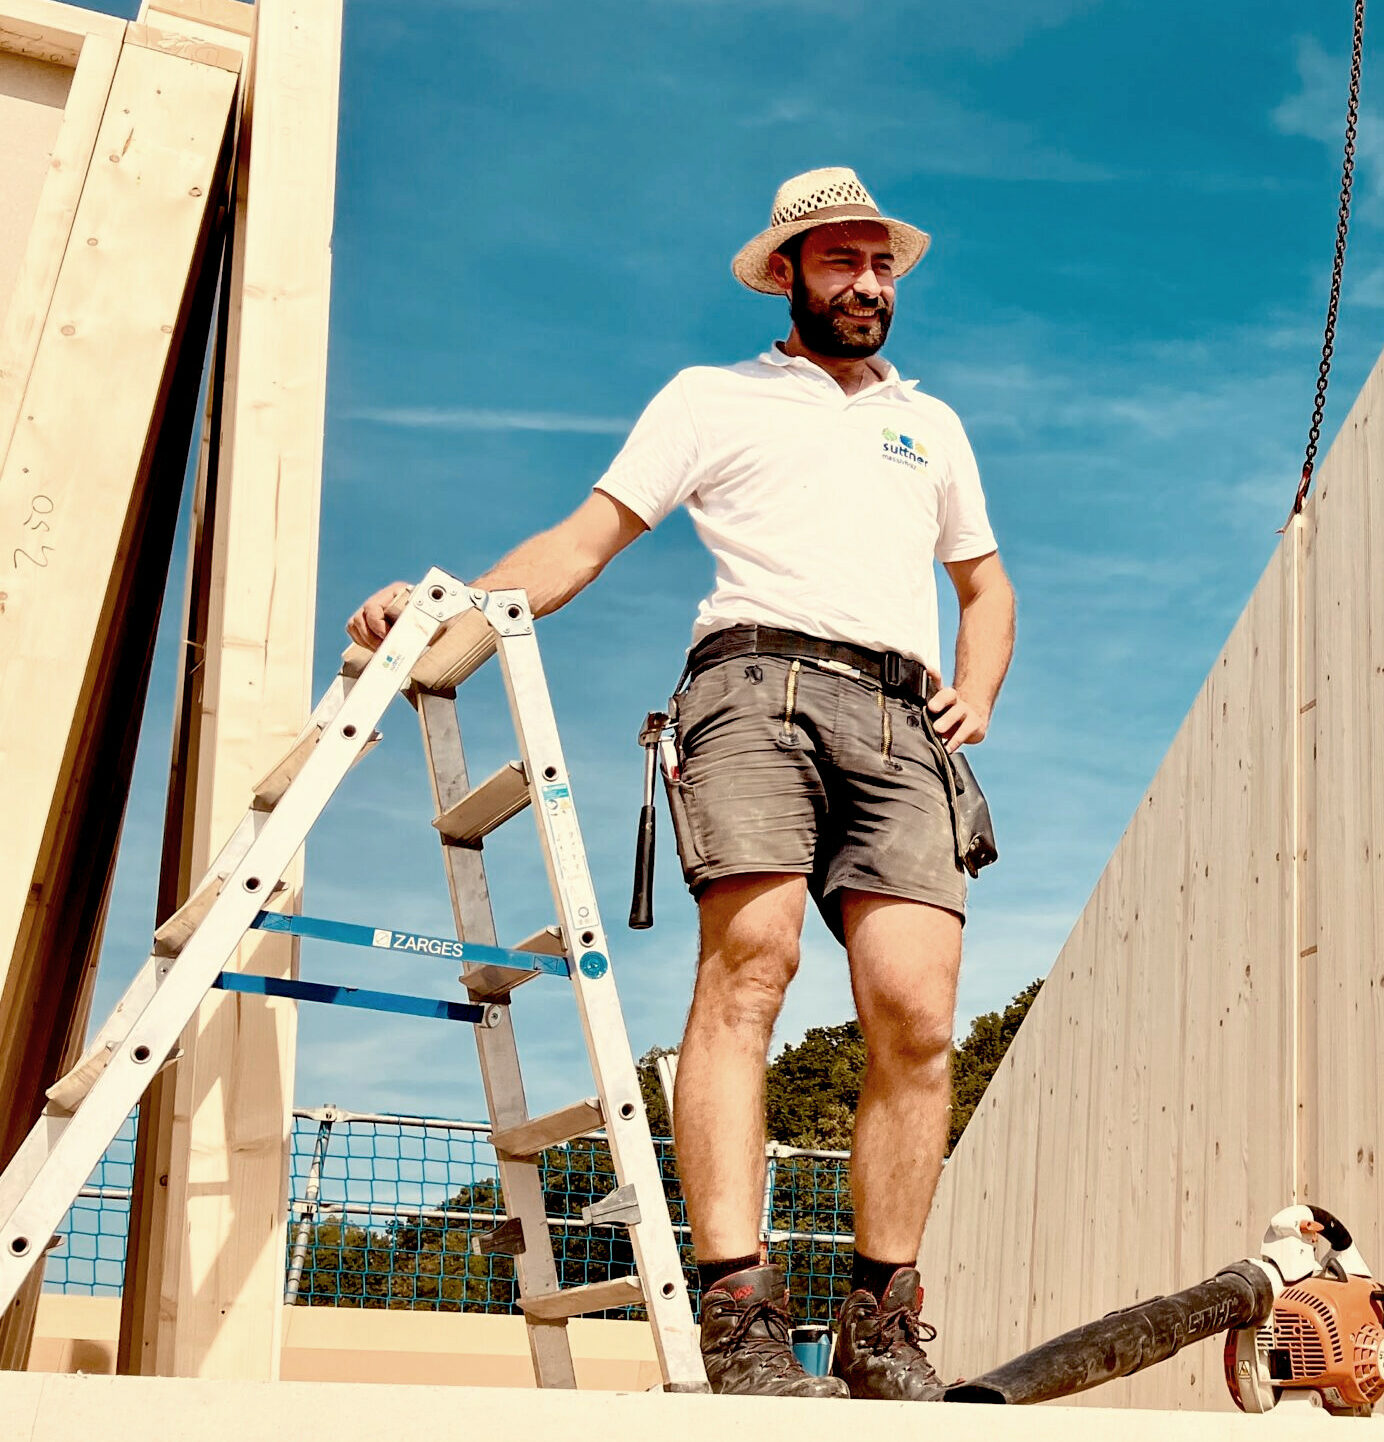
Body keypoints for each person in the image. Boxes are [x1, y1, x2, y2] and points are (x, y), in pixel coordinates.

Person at [347, 167, 1015, 1401]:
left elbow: (984, 583)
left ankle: (881, 1320)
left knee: (919, 1015)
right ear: (787, 273)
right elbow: (584, 537)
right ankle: (740, 1310)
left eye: (882, 266)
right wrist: (431, 632)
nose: (867, 283)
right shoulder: (712, 397)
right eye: (840, 263)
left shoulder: (935, 424)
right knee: (753, 963)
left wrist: (978, 685)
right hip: (754, 686)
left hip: (901, 718)